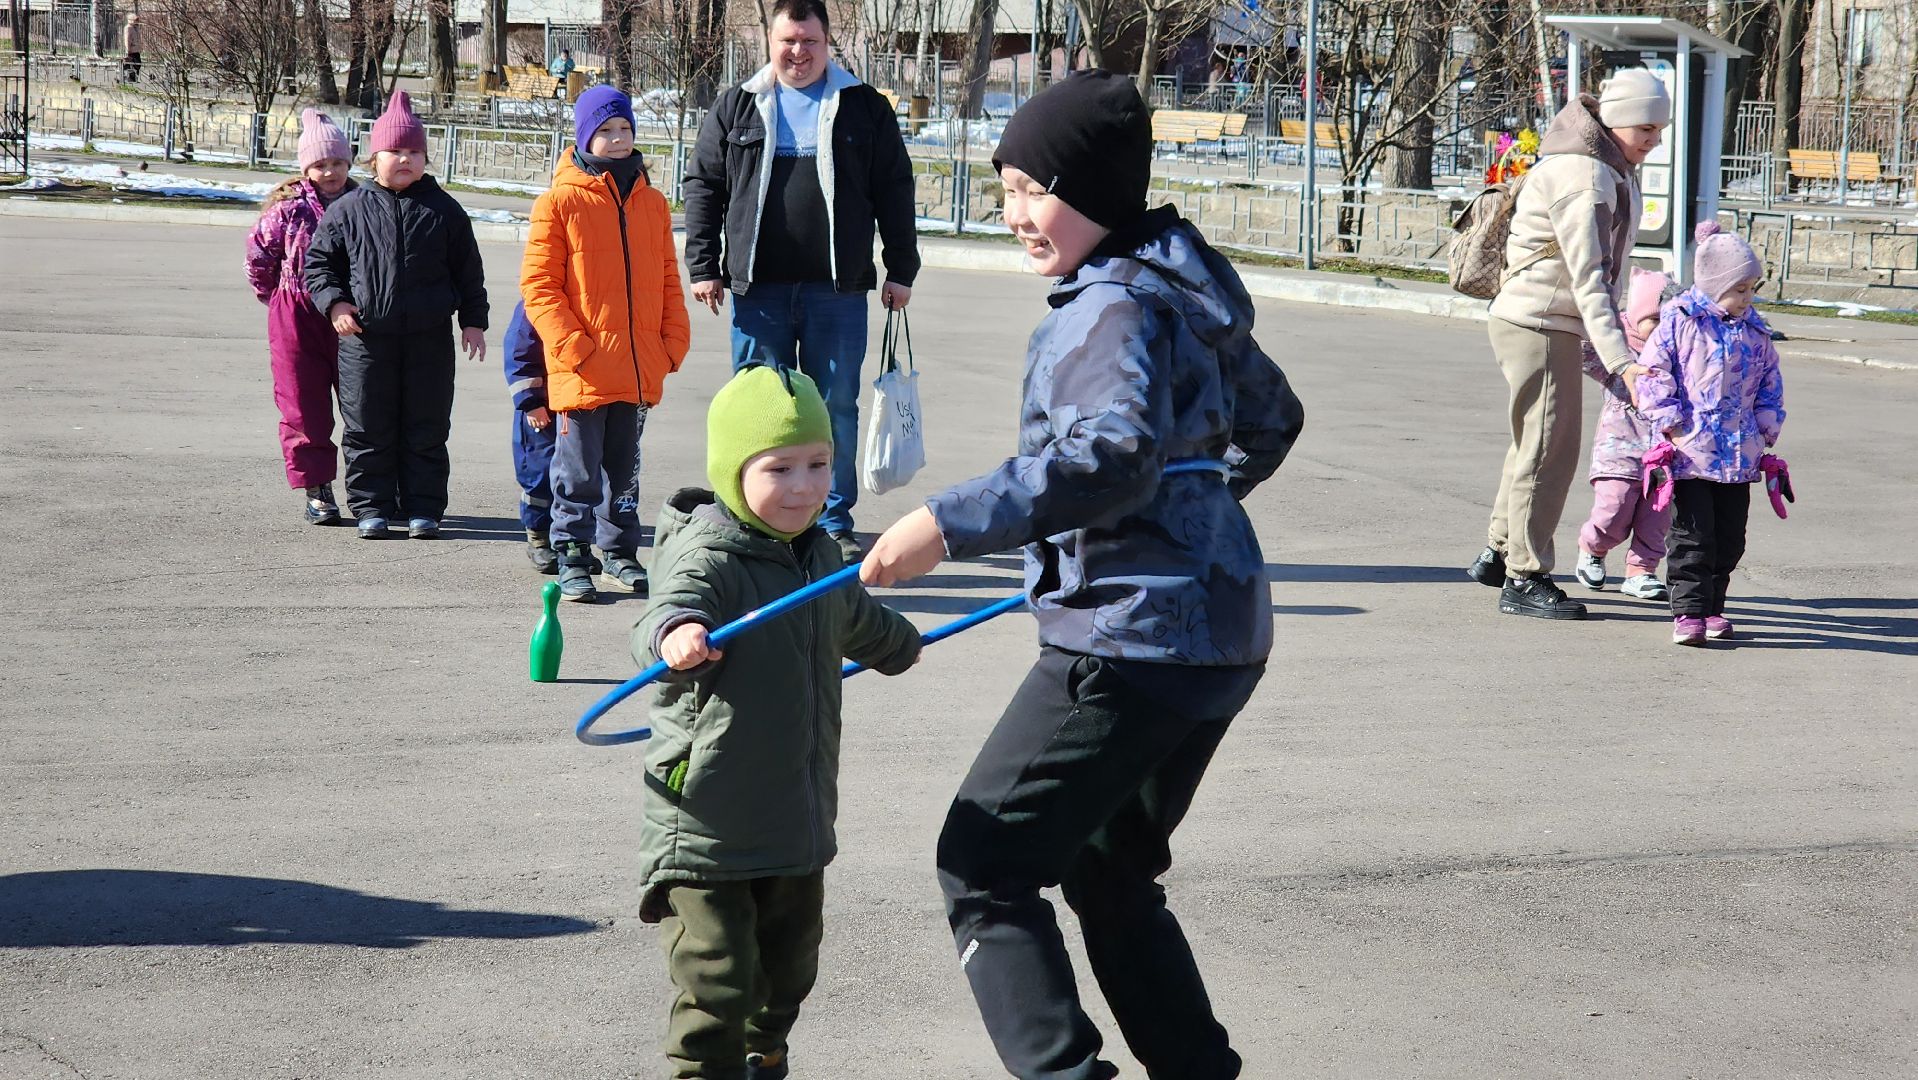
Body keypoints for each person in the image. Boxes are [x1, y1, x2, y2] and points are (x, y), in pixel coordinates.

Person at [861, 71, 1304, 1080]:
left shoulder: (1108, 306)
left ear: (1096, 189)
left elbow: (1109, 453)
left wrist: (943, 523)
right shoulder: (1179, 289)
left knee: (981, 863)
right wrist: (1189, 523)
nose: (1016, 214)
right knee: (1109, 872)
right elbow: (1271, 422)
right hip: (1217, 642)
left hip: (1129, 642)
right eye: (1006, 188)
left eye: (1035, 189)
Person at [632, 364, 923, 1080]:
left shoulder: (821, 555)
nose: (803, 486)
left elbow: (854, 616)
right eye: (779, 468)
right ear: (734, 473)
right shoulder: (710, 554)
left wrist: (903, 644)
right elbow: (666, 608)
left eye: (819, 464)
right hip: (709, 823)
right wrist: (678, 635)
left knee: (789, 968)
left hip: (795, 818)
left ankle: (766, 1053)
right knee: (718, 979)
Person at [682, 0, 921, 566]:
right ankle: (751, 519)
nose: (798, 52)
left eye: (809, 41)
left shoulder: (863, 107)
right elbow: (702, 185)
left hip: (836, 291)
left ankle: (832, 522)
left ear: (827, 42)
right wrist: (703, 265)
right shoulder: (737, 105)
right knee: (758, 406)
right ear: (770, 41)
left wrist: (901, 269)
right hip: (756, 291)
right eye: (788, 40)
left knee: (836, 407)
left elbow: (896, 188)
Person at [1468, 67, 1672, 620]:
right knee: (1548, 452)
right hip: (1542, 321)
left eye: (1660, 130)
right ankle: (1524, 576)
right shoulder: (1589, 178)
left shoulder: (1602, 165)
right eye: (1646, 129)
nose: (1654, 141)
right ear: (1619, 120)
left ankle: (1498, 552)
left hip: (1537, 318)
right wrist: (1621, 362)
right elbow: (1591, 281)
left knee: (1531, 444)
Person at [521, 85, 690, 602]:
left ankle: (619, 551)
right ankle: (573, 551)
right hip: (585, 368)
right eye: (606, 130)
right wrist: (573, 348)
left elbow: (666, 276)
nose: (618, 139)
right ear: (585, 137)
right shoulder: (559, 202)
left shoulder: (653, 202)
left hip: (639, 367)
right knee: (576, 468)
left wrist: (672, 341)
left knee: (624, 469)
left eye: (624, 129)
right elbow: (539, 287)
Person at [305, 90, 489, 540]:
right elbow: (318, 265)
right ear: (374, 157)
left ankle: (424, 507)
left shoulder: (444, 211)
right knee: (368, 425)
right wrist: (336, 303)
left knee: (426, 425)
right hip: (365, 342)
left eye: (414, 151)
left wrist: (473, 320)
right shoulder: (348, 210)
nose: (404, 159)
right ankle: (372, 507)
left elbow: (469, 270)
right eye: (394, 151)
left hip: (429, 341)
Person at [1634, 223, 1784, 647]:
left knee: (1729, 538)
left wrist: (1766, 423)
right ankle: (1689, 612)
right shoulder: (1680, 323)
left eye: (1751, 288)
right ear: (1715, 284)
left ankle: (1715, 607)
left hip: (1739, 455)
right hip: (1691, 456)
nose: (1747, 298)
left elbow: (1770, 380)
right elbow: (1653, 373)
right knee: (1693, 537)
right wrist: (1671, 422)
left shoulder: (1755, 330)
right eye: (1739, 289)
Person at [245, 109, 355, 525]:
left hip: (348, 313)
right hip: (295, 313)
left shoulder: (362, 201)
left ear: (350, 162)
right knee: (303, 405)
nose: (330, 171)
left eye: (338, 163)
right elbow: (258, 256)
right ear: (306, 167)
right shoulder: (287, 209)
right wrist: (274, 296)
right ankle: (318, 488)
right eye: (320, 164)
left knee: (363, 404)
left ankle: (372, 487)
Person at [1573, 267, 1678, 600]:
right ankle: (1593, 548)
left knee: (1656, 520)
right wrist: (1602, 327)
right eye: (1654, 320)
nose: (1662, 329)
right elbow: (1583, 353)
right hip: (1619, 449)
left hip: (1664, 457)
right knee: (1614, 509)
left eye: (1669, 321)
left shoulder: (1681, 356)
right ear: (1634, 318)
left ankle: (1641, 571)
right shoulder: (1620, 352)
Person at [502, 302, 559, 573]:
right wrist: (531, 401)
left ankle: (569, 541)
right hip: (542, 407)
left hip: (579, 403)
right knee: (539, 471)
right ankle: (538, 537)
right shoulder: (537, 299)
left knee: (579, 477)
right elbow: (520, 351)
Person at [121, 11, 143, 84]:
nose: (136, 22)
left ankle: (133, 78)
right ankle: (129, 78)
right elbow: (127, 39)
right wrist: (128, 49)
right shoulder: (128, 28)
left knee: (137, 64)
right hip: (131, 50)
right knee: (132, 64)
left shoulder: (135, 27)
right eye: (135, 20)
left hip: (136, 50)